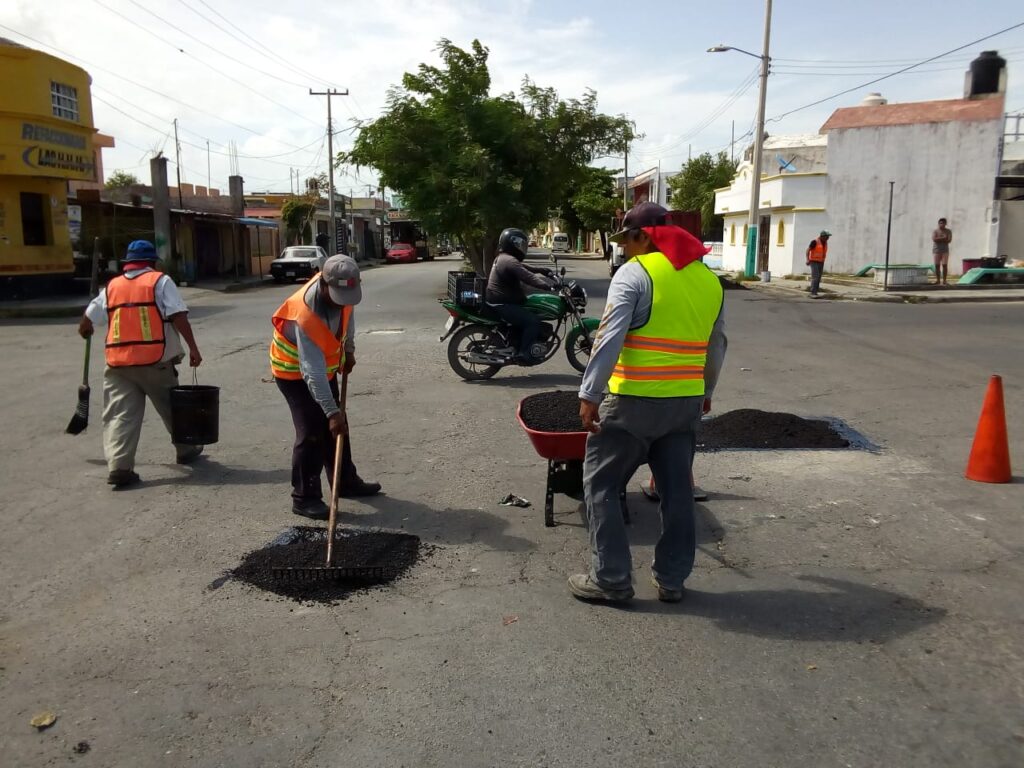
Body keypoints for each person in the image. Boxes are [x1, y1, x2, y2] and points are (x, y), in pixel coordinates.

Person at [570, 202, 726, 604]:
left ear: (644, 236)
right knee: (677, 493)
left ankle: (611, 579)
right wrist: (706, 392)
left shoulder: (634, 275)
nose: (626, 249)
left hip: (633, 403)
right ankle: (672, 580)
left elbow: (609, 337)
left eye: (629, 240)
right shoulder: (709, 280)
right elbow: (717, 344)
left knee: (601, 484)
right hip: (685, 405)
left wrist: (589, 393)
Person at [77, 240, 204, 488]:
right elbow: (178, 314)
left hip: (118, 364)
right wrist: (193, 348)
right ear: (153, 262)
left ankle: (120, 467)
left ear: (128, 263)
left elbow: (89, 318)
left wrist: (85, 328)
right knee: (173, 407)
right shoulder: (160, 281)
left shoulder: (113, 286)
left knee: (119, 415)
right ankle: (186, 449)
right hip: (154, 360)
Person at [270, 254, 381, 520]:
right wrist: (331, 413)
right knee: (312, 430)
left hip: (324, 367)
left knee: (338, 424)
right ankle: (304, 497)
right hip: (293, 372)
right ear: (323, 283)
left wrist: (349, 350)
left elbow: (347, 315)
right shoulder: (304, 314)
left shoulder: (345, 292)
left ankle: (345, 482)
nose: (342, 301)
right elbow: (312, 372)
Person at [484, 227, 557, 364]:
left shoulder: (505, 258)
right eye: (520, 245)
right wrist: (548, 286)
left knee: (528, 312)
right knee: (533, 322)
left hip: (500, 301)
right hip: (502, 304)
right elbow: (527, 276)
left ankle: (518, 342)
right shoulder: (508, 260)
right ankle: (524, 353)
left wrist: (542, 270)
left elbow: (523, 268)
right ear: (513, 244)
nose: (523, 248)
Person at [806, 230, 831, 297]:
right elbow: (808, 250)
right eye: (827, 236)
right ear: (822, 236)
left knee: (819, 277)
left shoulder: (825, 243)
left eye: (828, 237)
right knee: (815, 277)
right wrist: (807, 260)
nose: (828, 238)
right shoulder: (815, 242)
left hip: (821, 262)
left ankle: (815, 292)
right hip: (813, 261)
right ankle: (812, 293)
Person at [932, 218, 952, 286]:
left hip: (945, 251)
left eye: (943, 223)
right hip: (936, 250)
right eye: (940, 223)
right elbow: (934, 239)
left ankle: (944, 281)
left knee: (944, 265)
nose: (941, 224)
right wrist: (943, 238)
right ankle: (937, 280)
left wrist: (939, 238)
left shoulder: (948, 231)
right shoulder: (935, 231)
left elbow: (949, 240)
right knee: (937, 266)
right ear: (938, 224)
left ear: (945, 224)